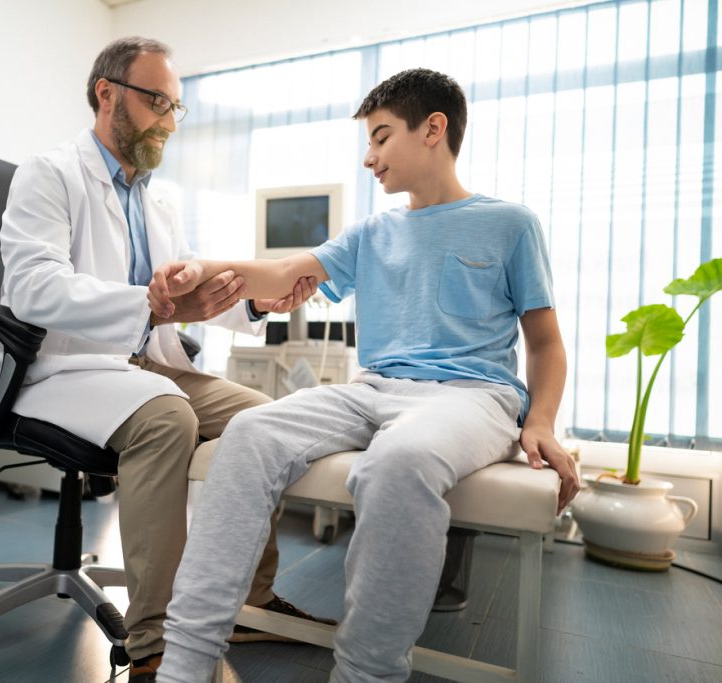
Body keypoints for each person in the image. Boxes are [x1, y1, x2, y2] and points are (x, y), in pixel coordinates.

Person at [148, 68, 581, 682]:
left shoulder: (510, 223)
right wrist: (204, 267)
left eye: (380, 138)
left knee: (397, 462)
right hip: (373, 388)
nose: (368, 158)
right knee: (247, 433)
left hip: (472, 395)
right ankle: (186, 664)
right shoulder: (373, 233)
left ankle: (365, 674)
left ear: (433, 129)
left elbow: (546, 342)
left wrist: (541, 421)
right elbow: (286, 271)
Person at [0, 36, 333, 683]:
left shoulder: (156, 201)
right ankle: (156, 644)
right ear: (106, 92)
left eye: (175, 107)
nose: (168, 119)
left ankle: (252, 600)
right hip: (60, 365)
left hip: (145, 362)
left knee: (271, 420)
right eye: (156, 101)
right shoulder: (50, 174)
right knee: (167, 418)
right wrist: (150, 306)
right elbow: (32, 288)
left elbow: (183, 299)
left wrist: (256, 302)